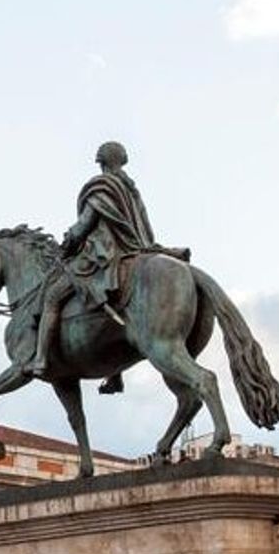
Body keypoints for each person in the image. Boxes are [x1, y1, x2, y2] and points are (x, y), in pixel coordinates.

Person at [26, 141, 172, 388]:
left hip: (104, 252)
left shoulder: (101, 187)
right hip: (135, 248)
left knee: (52, 296)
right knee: (122, 312)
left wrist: (69, 241)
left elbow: (84, 226)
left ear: (101, 161)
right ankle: (115, 374)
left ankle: (40, 359)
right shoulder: (130, 187)